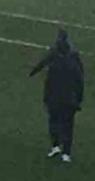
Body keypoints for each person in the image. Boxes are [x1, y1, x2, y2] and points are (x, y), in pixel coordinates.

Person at [29, 29, 85, 163]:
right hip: (69, 100)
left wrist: (33, 72)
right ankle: (66, 153)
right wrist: (79, 99)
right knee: (67, 126)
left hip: (54, 99)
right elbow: (79, 80)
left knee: (54, 121)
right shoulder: (73, 60)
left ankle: (55, 146)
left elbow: (44, 68)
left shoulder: (54, 63)